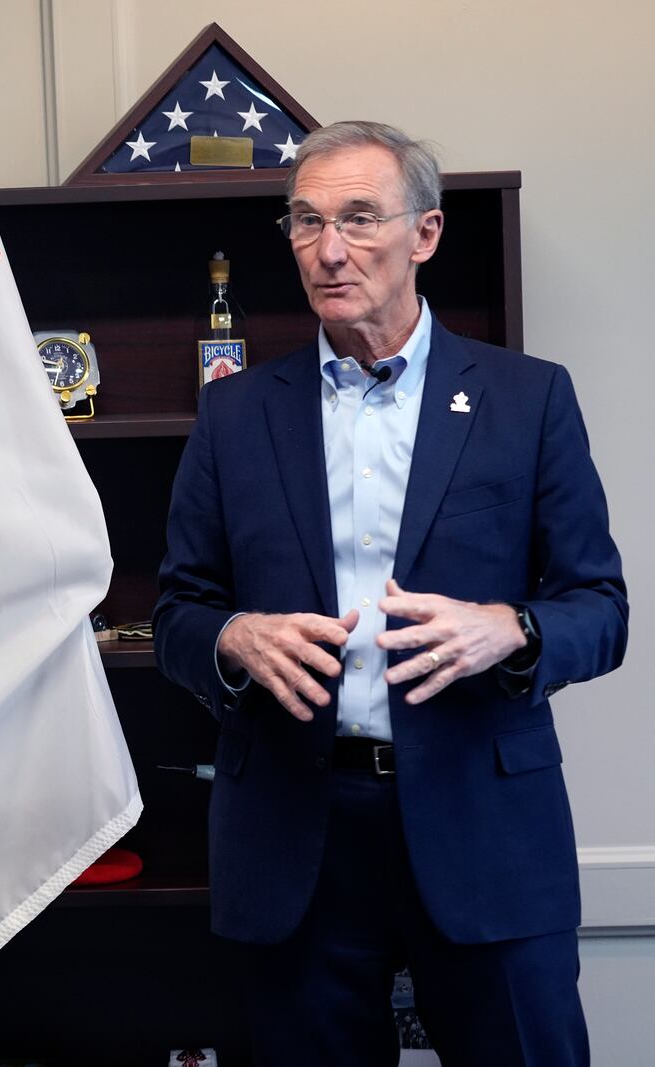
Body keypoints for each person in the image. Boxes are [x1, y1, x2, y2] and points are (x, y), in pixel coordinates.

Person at [153, 120, 628, 1064]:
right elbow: (176, 613)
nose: (328, 249)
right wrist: (233, 640)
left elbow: (601, 609)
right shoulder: (236, 415)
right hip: (297, 832)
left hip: (485, 826)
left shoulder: (527, 398)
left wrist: (513, 628)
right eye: (306, 221)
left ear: (427, 233)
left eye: (360, 218)